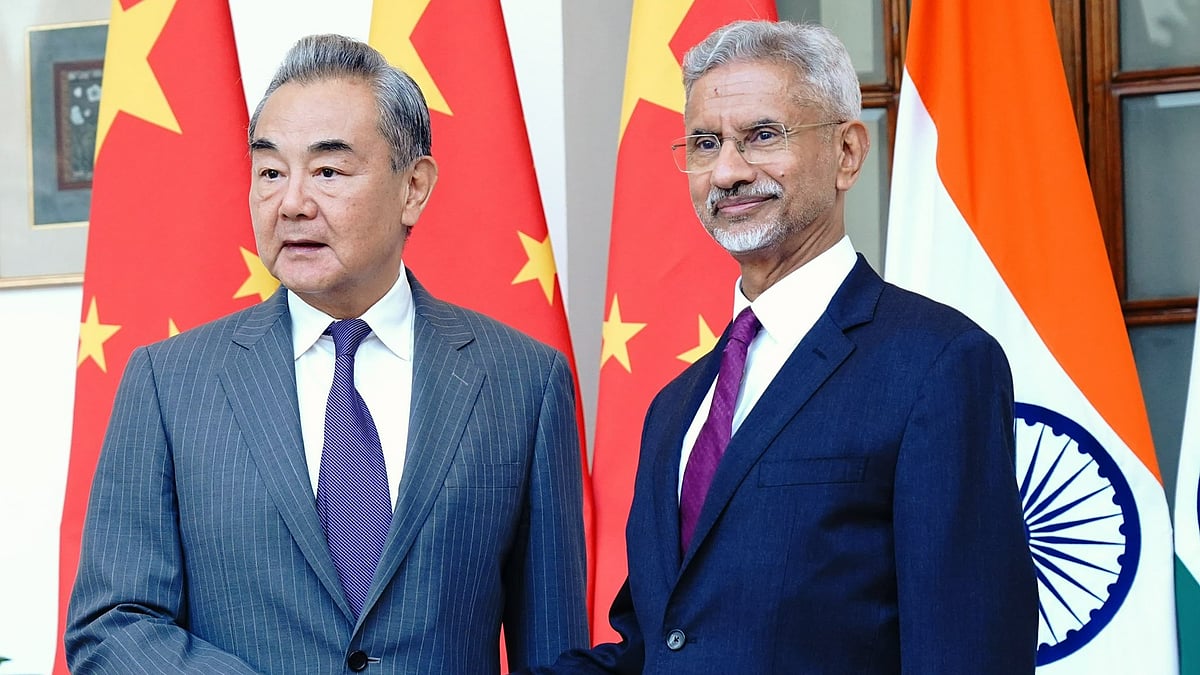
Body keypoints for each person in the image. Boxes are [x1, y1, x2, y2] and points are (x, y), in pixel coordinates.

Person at [65, 34, 588, 674]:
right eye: (270, 172)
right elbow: (111, 625)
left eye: (328, 172)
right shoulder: (169, 383)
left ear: (413, 187)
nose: (292, 203)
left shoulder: (523, 381)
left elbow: (554, 651)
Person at [527, 19, 1037, 674]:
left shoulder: (937, 363)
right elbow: (657, 649)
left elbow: (965, 650)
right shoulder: (678, 405)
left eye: (763, 136)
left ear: (848, 152)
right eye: (705, 143)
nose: (728, 172)